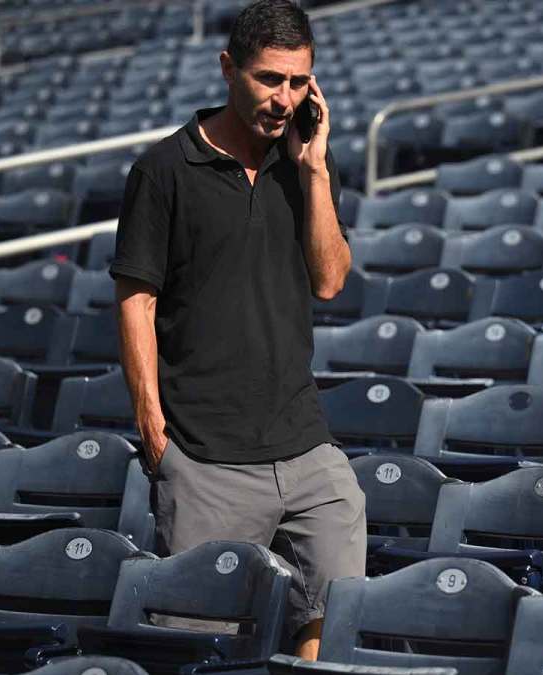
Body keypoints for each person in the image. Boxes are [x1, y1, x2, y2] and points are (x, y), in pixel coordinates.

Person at [109, 0, 363, 659]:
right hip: (206, 458)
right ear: (228, 69)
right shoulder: (163, 171)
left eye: (300, 81)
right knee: (201, 650)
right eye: (270, 79)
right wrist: (155, 434)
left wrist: (314, 170)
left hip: (305, 447)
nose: (285, 98)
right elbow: (135, 300)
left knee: (335, 621)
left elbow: (332, 279)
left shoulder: (301, 164)